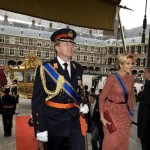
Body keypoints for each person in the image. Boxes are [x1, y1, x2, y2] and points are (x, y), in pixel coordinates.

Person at [32, 28, 89, 150]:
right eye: (66, 44)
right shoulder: (45, 69)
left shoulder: (78, 68)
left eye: (72, 44)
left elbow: (78, 91)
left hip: (74, 120)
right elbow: (37, 101)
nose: (70, 47)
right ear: (56, 47)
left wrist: (83, 104)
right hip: (53, 122)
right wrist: (40, 128)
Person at [99, 53, 135, 150]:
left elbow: (131, 96)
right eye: (128, 63)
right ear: (120, 64)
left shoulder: (131, 78)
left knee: (123, 144)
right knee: (111, 143)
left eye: (132, 63)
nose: (131, 66)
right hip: (110, 114)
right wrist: (102, 117)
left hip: (124, 115)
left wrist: (131, 112)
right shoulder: (112, 78)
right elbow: (102, 98)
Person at [137, 67, 150, 150]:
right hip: (145, 123)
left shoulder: (148, 86)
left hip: (146, 124)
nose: (143, 74)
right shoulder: (147, 86)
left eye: (144, 72)